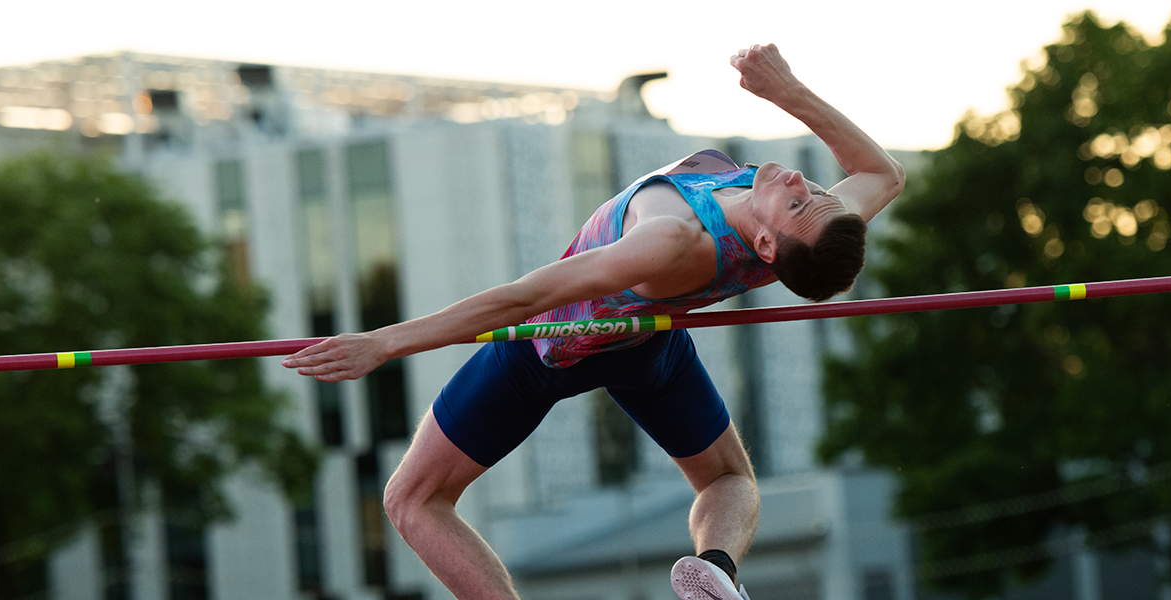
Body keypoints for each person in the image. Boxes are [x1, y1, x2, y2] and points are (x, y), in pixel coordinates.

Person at [282, 43, 905, 600]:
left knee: (412, 499)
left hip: (548, 352)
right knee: (728, 479)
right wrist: (786, 91)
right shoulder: (805, 239)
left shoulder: (672, 241)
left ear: (767, 244)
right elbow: (884, 174)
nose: (799, 179)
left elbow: (523, 300)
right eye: (813, 190)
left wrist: (382, 343)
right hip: (650, 346)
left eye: (796, 200)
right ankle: (716, 572)